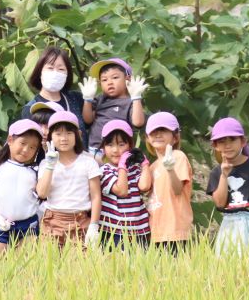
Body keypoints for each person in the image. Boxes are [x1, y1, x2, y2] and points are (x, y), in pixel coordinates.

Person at [206, 117, 249, 256]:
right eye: (222, 141)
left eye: (232, 140)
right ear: (215, 146)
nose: (227, 145)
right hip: (231, 223)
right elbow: (219, 203)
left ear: (243, 141)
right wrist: (224, 175)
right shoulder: (216, 172)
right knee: (231, 264)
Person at [0, 119, 44, 254]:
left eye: (32, 147)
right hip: (2, 224)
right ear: (10, 140)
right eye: (23, 143)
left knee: (27, 265)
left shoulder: (36, 170)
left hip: (29, 224)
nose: (26, 150)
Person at [36, 111, 101, 248]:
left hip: (80, 220)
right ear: (50, 137)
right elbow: (42, 193)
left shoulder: (88, 162)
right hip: (52, 220)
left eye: (69, 133)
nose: (63, 138)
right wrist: (50, 165)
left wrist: (94, 225)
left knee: (79, 267)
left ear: (78, 135)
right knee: (49, 265)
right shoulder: (45, 164)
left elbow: (95, 196)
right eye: (58, 134)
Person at [92, 120, 153, 248]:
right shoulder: (104, 171)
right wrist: (122, 166)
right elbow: (122, 191)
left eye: (121, 144)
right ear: (103, 148)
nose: (115, 150)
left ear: (129, 146)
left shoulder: (135, 169)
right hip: (113, 231)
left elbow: (145, 186)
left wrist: (145, 163)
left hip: (138, 230)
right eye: (110, 145)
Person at [145, 112, 193, 253]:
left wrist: (170, 170)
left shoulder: (178, 157)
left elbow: (178, 190)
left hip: (175, 229)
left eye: (163, 130)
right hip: (156, 229)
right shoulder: (152, 167)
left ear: (175, 137)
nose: (158, 134)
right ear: (147, 138)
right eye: (153, 131)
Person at [82, 57, 147, 155]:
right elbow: (88, 120)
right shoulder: (100, 99)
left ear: (127, 79)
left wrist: (136, 98)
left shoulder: (130, 102)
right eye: (104, 80)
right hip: (95, 150)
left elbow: (138, 122)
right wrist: (87, 100)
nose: (109, 82)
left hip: (118, 153)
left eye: (115, 77)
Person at [20, 48, 88, 139]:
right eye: (50, 68)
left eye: (61, 69)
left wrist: (89, 100)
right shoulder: (31, 108)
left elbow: (93, 123)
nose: (55, 73)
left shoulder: (76, 98)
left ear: (67, 74)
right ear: (40, 72)